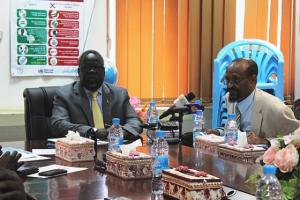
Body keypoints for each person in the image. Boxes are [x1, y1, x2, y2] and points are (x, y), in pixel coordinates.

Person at [51, 50, 142, 140]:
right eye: (87, 67)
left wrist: (122, 132)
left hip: (114, 149)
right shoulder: (64, 94)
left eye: (96, 67)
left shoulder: (120, 94)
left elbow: (134, 121)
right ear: (79, 72)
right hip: (82, 150)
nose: (92, 71)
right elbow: (59, 124)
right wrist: (92, 132)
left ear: (103, 72)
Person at [208, 58, 300, 144]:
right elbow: (235, 130)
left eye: (236, 80)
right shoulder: (230, 98)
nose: (229, 85)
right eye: (227, 80)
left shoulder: (276, 109)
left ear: (252, 80)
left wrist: (265, 141)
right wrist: (218, 132)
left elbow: (296, 139)